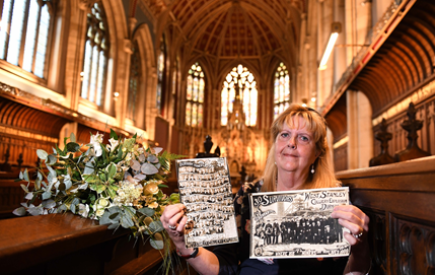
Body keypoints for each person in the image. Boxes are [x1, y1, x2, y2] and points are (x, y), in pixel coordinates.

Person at [160, 104, 371, 275]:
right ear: (275, 145)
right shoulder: (247, 195)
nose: (292, 143)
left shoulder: (334, 201)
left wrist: (360, 248)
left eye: (304, 137)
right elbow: (224, 266)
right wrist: (183, 244)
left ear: (317, 153)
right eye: (285, 135)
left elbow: (352, 271)